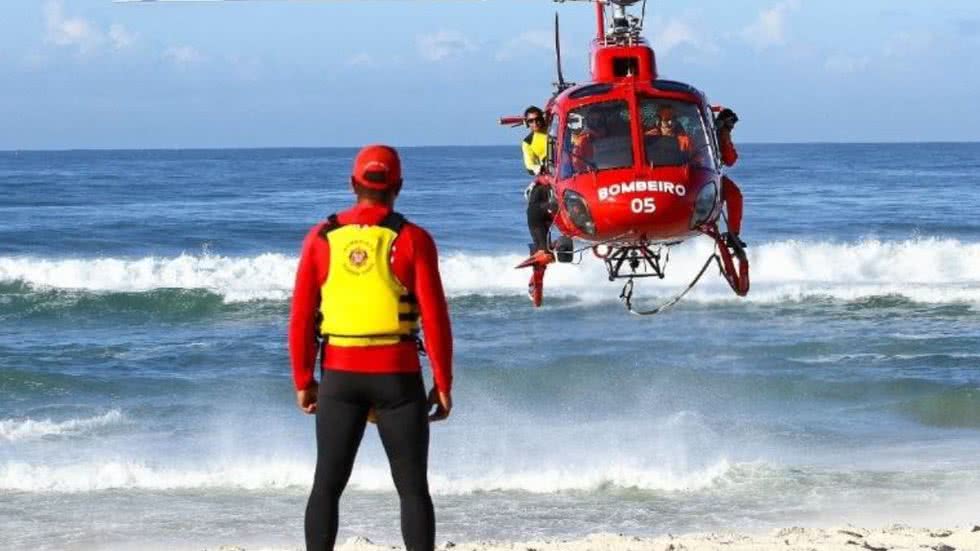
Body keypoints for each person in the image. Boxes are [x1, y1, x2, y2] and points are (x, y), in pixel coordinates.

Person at [289, 144, 453, 551]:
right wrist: (443, 381)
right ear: (399, 185)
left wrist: (303, 378)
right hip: (397, 380)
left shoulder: (321, 237)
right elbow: (434, 319)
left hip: (340, 378)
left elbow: (301, 317)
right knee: (413, 489)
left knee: (326, 485)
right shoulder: (414, 238)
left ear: (352, 184)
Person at [520, 106, 554, 265]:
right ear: (527, 124)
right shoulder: (528, 142)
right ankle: (543, 248)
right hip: (548, 177)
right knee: (533, 207)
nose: (536, 123)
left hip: (567, 173)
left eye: (538, 119)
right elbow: (529, 165)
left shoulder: (555, 130)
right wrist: (538, 169)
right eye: (531, 121)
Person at [716, 108, 745, 248]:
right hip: (699, 173)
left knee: (734, 195)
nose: (731, 128)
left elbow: (730, 160)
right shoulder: (709, 134)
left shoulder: (723, 137)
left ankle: (733, 234)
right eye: (729, 125)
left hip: (712, 174)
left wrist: (725, 141)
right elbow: (730, 160)